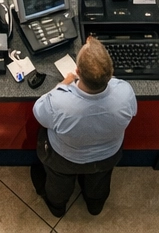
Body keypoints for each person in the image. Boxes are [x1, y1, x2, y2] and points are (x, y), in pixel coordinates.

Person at [30, 37, 138, 217]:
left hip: (65, 158)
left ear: (78, 71)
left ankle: (57, 207)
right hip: (107, 156)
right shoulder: (125, 92)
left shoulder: (59, 102)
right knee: (100, 180)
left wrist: (63, 84)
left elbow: (39, 113)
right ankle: (95, 206)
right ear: (111, 73)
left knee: (59, 182)